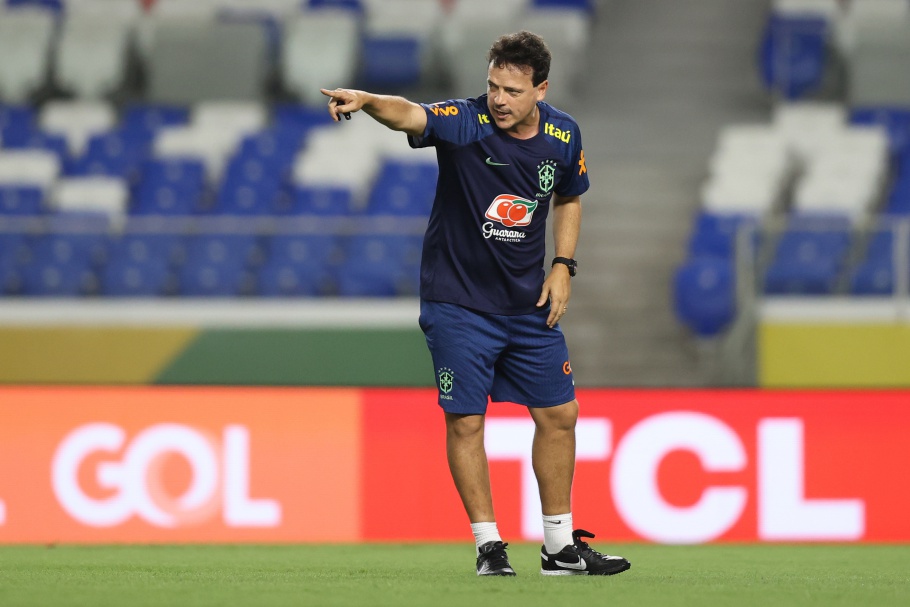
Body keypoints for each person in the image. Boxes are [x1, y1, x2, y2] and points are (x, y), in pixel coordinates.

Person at [321, 31, 630, 577]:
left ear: (541, 89)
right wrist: (369, 102)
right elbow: (410, 115)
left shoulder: (563, 134)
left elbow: (569, 197)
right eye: (492, 86)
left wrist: (563, 265)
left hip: (526, 305)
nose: (499, 99)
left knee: (561, 415)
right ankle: (490, 547)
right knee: (466, 422)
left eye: (512, 90)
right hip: (457, 303)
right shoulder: (466, 121)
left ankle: (558, 548)